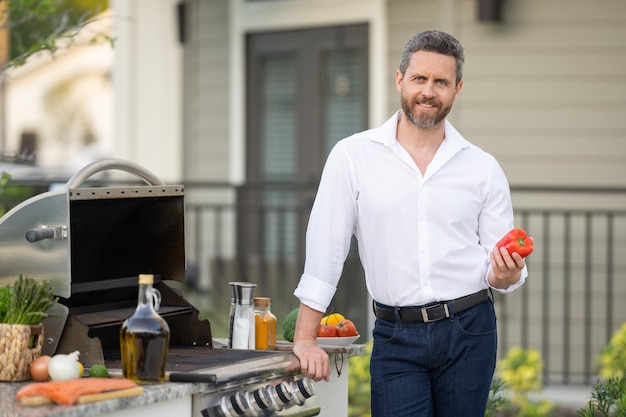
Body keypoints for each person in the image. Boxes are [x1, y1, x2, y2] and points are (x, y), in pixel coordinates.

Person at [292, 29, 529, 417]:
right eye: (420, 78)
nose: (429, 91)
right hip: (396, 334)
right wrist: (305, 337)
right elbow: (326, 248)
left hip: (470, 330)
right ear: (399, 79)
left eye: (441, 82)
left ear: (457, 88)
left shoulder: (482, 168)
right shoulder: (353, 156)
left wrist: (504, 276)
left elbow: (497, 265)